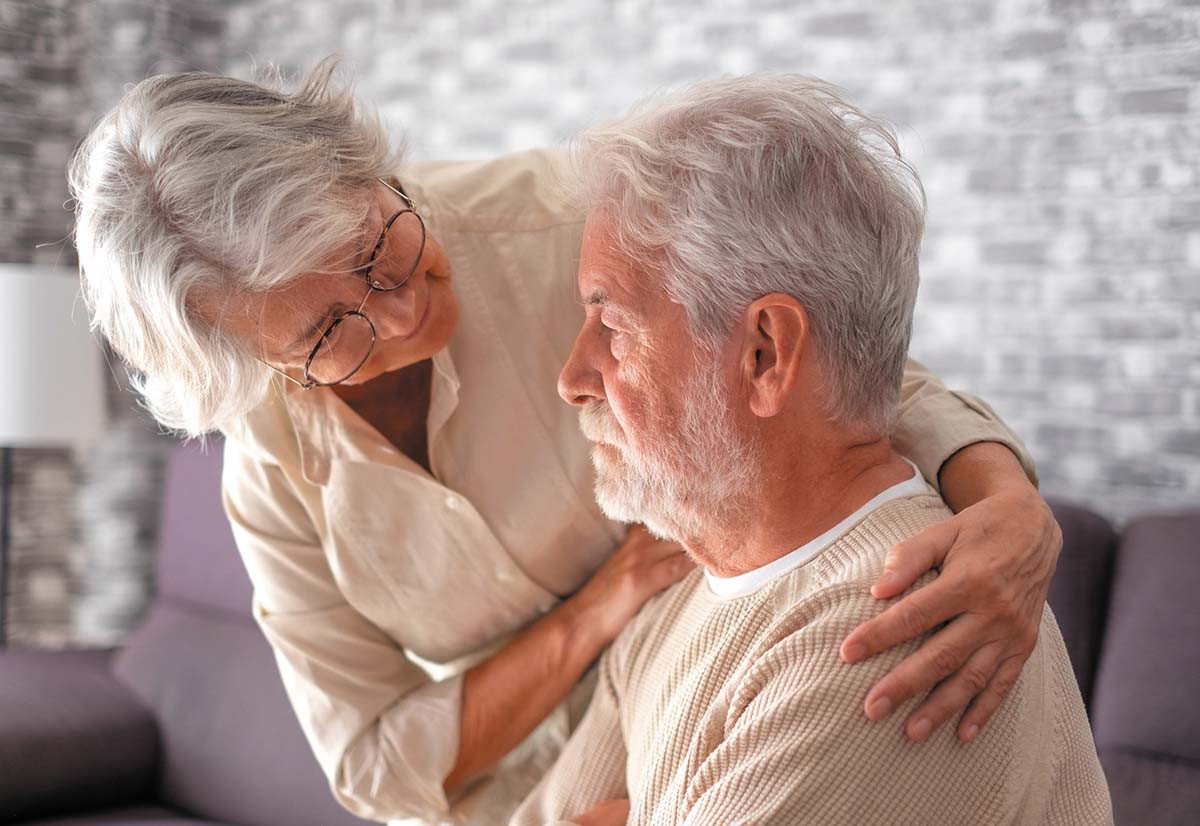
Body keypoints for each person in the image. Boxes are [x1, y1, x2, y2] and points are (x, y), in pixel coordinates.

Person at [68, 59, 1064, 825]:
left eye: (378, 247)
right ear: (262, 368)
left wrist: (1007, 504)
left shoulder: (566, 225)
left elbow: (831, 367)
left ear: (367, 168)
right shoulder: (272, 466)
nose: (404, 310)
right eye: (330, 332)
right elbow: (373, 765)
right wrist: (606, 604)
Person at [513, 74, 1111, 826]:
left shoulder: (895, 628)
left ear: (765, 353)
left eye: (616, 328)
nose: (572, 379)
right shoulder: (679, 598)